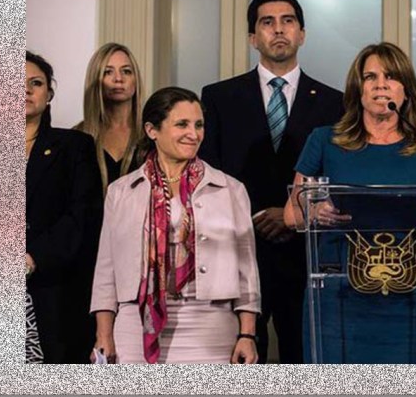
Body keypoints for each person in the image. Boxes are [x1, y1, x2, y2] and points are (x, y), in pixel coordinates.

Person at [283, 42, 416, 363]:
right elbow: (292, 215)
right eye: (370, 77)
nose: (380, 85)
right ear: (357, 89)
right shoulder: (324, 140)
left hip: (403, 295)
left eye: (391, 77)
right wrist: (315, 211)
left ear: (406, 90)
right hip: (336, 296)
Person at [199, 0, 344, 364]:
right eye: (267, 22)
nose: (279, 29)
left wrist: (292, 214)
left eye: (288, 21)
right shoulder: (218, 98)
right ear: (253, 38)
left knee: (305, 361)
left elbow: (338, 178)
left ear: (302, 34)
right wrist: (255, 217)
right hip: (240, 249)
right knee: (241, 361)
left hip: (307, 255)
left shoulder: (335, 103)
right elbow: (209, 175)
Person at [90, 87, 261, 364]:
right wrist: (103, 334)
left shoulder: (230, 189)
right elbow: (105, 270)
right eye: (182, 124)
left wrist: (247, 334)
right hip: (135, 324)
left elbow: (247, 268)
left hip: (210, 323)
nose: (193, 134)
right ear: (152, 130)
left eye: (199, 125)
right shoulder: (121, 191)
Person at [25, 51, 103, 363]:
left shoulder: (74, 146)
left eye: (36, 83)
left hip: (51, 291)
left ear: (49, 94)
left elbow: (82, 215)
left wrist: (32, 258)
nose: (25, 89)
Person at [76, 42, 145, 192]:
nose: (118, 78)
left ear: (136, 80)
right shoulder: (76, 136)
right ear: (96, 79)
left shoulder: (151, 135)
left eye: (126, 71)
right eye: (108, 72)